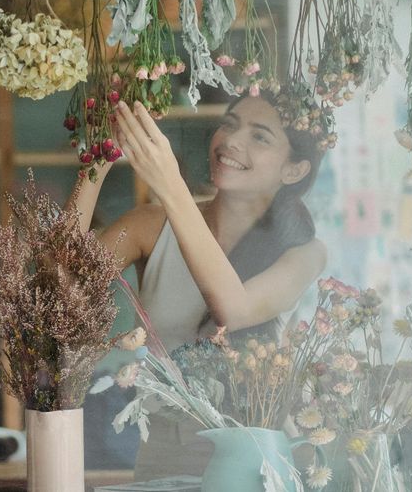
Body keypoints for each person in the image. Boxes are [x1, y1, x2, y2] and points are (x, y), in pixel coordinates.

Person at [72, 95, 327, 480]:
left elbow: (233, 311)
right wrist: (97, 160)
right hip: (164, 448)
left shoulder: (304, 252)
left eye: (260, 137)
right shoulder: (151, 225)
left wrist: (170, 183)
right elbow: (60, 288)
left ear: (293, 170)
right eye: (229, 123)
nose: (232, 140)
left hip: (255, 459)